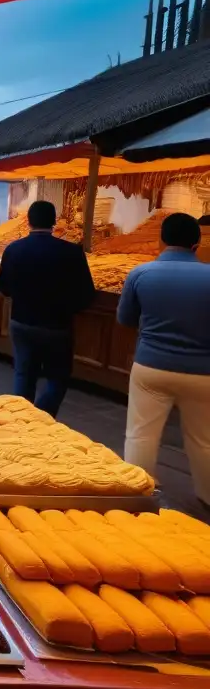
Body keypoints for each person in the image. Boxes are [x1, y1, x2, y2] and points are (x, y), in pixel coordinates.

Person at [118, 212, 210, 507]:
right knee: (203, 439)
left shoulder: (141, 274)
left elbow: (125, 318)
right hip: (203, 371)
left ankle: (136, 490)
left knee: (141, 433)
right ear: (197, 243)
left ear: (161, 240)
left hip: (151, 365)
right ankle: (207, 496)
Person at [0, 201, 95, 417]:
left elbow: (3, 286)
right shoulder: (71, 252)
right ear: (54, 221)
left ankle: (22, 418)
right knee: (57, 378)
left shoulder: (14, 249)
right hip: (57, 326)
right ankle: (42, 417)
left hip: (21, 322)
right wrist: (68, 308)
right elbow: (87, 294)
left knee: (24, 374)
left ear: (28, 221)